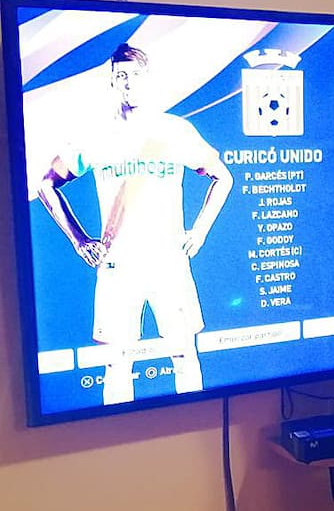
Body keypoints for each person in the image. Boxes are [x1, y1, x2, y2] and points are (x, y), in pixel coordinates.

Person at [38, 43, 233, 405]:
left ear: (149, 79)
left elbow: (223, 177)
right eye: (121, 76)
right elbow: (46, 184)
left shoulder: (174, 131)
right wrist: (80, 241)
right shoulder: (95, 134)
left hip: (168, 261)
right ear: (112, 82)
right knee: (117, 363)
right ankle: (114, 436)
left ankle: (195, 427)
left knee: (184, 355)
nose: (129, 82)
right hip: (118, 264)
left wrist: (200, 231)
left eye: (136, 75)